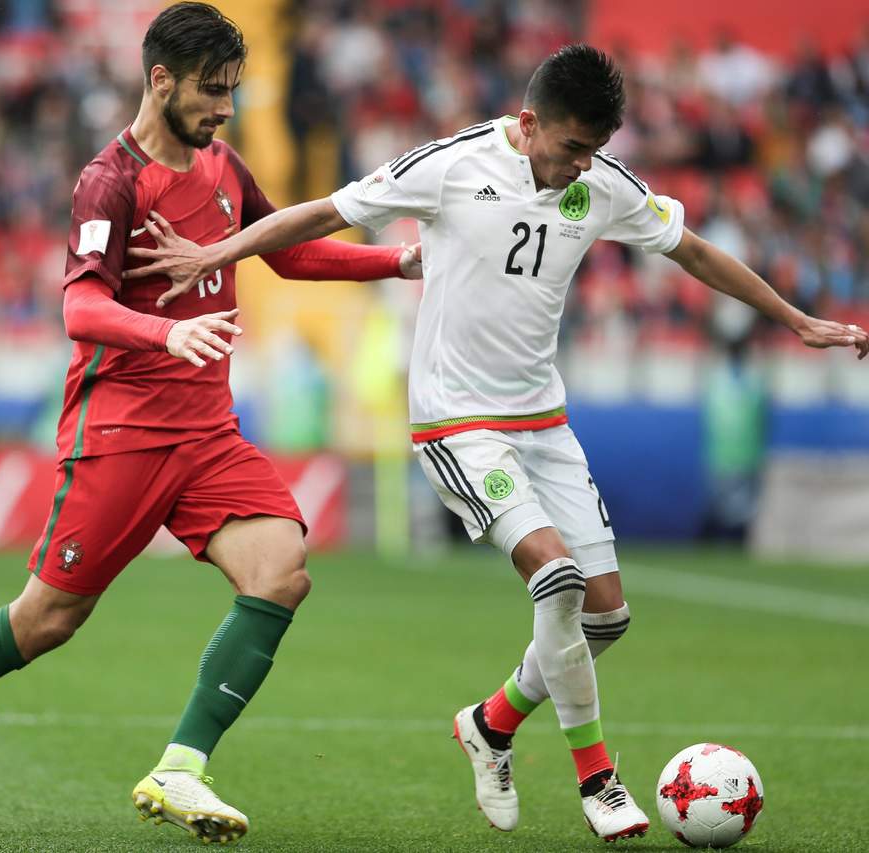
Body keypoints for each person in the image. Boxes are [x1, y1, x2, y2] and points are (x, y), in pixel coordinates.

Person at [123, 44, 868, 842]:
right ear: (527, 123)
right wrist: (218, 251)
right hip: (456, 422)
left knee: (607, 619)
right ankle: (599, 777)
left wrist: (794, 319)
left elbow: (693, 251)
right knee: (558, 579)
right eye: (574, 147)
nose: (584, 166)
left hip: (543, 422)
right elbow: (324, 213)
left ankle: (492, 720)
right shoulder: (450, 165)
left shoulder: (601, 185)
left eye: (598, 151)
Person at [0, 3, 421, 843]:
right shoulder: (110, 179)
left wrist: (394, 260)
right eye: (211, 92)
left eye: (232, 91)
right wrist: (167, 330)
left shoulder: (222, 164)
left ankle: (181, 767)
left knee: (281, 569)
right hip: (122, 433)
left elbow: (282, 248)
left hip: (208, 432)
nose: (224, 108)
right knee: (45, 621)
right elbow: (80, 307)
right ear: (159, 80)